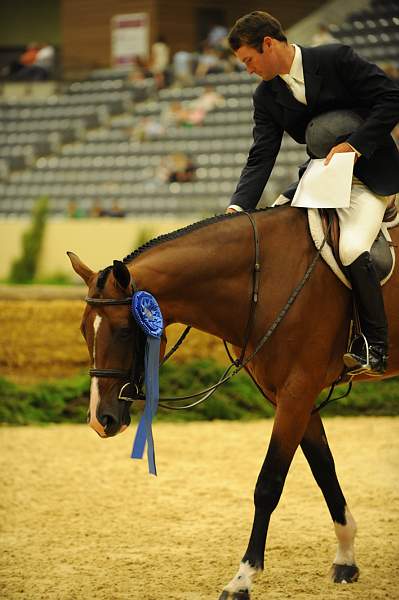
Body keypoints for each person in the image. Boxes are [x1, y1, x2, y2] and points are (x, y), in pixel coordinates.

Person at [225, 11, 399, 375]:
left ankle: (375, 345)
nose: (249, 70)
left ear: (268, 44)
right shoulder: (266, 96)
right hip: (322, 176)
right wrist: (238, 205)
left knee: (352, 247)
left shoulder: (335, 59)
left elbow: (392, 98)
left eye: (249, 60)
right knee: (273, 226)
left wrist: (355, 146)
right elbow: (262, 155)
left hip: (368, 175)